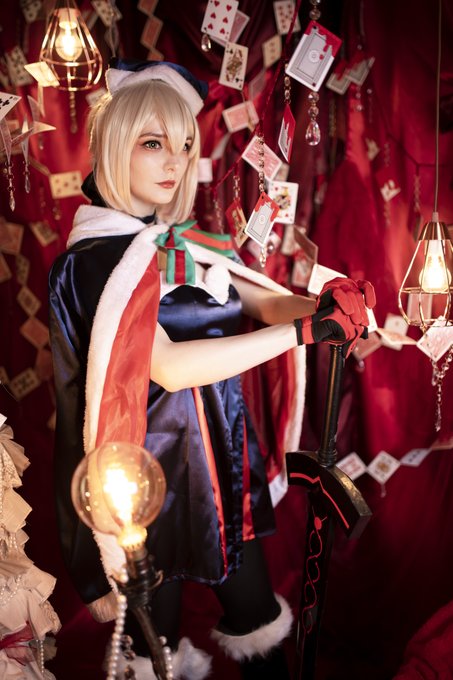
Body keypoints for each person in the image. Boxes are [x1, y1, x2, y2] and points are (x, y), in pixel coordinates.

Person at [48, 58, 375, 680]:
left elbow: (262, 301)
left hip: (218, 469)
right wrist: (302, 332)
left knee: (260, 623)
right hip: (147, 485)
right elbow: (169, 367)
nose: (174, 162)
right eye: (153, 143)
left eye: (183, 145)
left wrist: (326, 307)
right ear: (116, 145)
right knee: (158, 655)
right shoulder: (93, 263)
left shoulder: (182, 243)